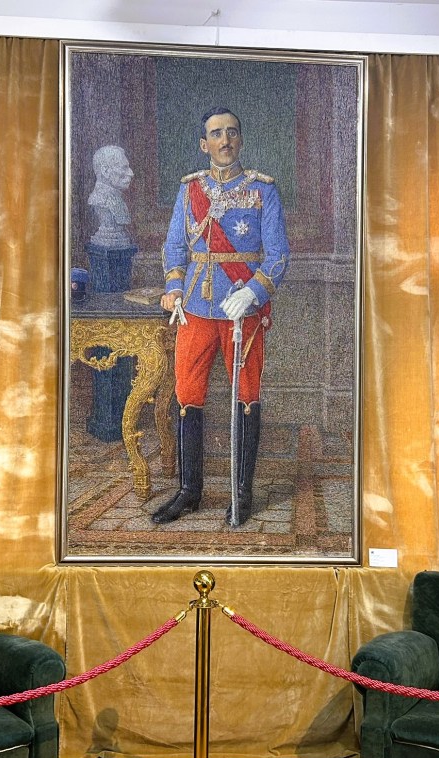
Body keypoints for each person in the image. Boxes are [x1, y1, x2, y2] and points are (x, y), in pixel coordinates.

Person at [152, 107, 290, 526]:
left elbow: (279, 254)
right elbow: (176, 246)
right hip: (195, 306)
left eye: (232, 132)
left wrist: (253, 290)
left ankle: (242, 493)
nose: (224, 140)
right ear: (203, 143)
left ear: (241, 140)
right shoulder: (189, 189)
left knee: (246, 397)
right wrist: (174, 288)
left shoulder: (263, 190)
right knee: (187, 396)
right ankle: (189, 491)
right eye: (215, 134)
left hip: (241, 309)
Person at [87, 145, 134, 247]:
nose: (131, 173)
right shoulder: (99, 201)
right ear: (106, 171)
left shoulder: (117, 199)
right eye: (124, 168)